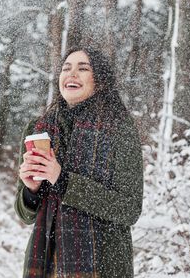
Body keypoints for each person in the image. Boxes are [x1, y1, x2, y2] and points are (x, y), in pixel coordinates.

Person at [14, 46, 144, 278]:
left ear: (100, 81)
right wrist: (30, 190)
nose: (71, 74)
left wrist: (62, 180)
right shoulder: (38, 129)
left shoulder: (120, 129)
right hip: (46, 265)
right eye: (66, 68)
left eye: (82, 68)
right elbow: (25, 215)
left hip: (103, 266)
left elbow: (128, 209)